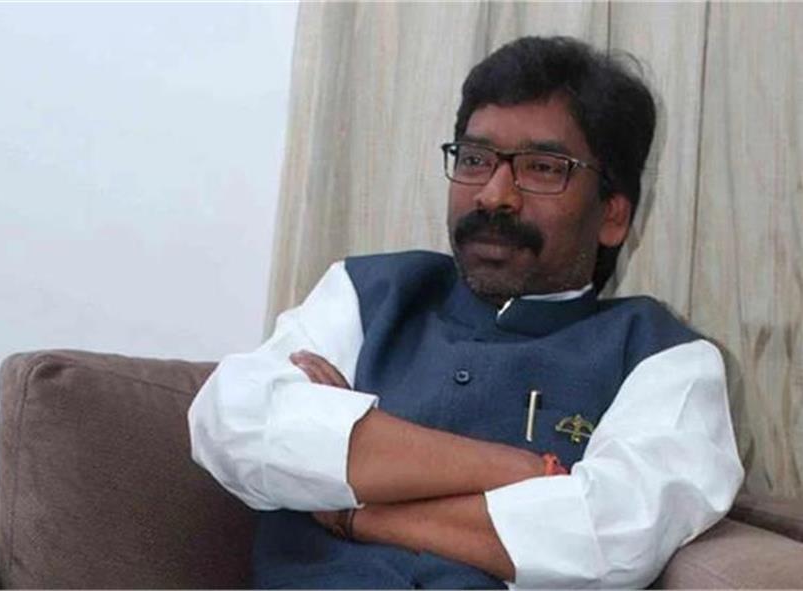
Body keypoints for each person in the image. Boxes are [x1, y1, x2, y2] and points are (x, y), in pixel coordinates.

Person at [188, 36, 743, 589]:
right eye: (475, 160)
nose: (494, 195)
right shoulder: (369, 293)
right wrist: (524, 472)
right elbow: (233, 421)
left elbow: (611, 536)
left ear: (613, 216)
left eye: (542, 168)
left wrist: (356, 510)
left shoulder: (665, 357)